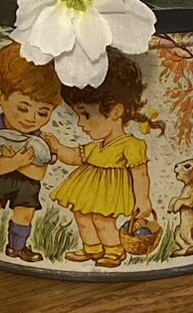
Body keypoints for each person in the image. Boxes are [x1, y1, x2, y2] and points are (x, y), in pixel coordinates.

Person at [48, 51, 160, 269]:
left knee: (102, 220)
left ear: (116, 111)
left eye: (86, 115)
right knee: (81, 215)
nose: (80, 123)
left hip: (109, 195)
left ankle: (114, 250)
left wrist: (143, 201)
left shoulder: (130, 145)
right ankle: (92, 249)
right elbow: (73, 157)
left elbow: (140, 174)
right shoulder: (95, 147)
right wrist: (58, 147)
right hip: (89, 192)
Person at [0, 44, 62, 262]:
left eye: (42, 112)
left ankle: (16, 248)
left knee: (24, 215)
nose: (31, 118)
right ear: (0, 96)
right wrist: (19, 161)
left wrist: (16, 162)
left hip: (26, 185)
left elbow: (39, 174)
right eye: (23, 108)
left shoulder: (39, 140)